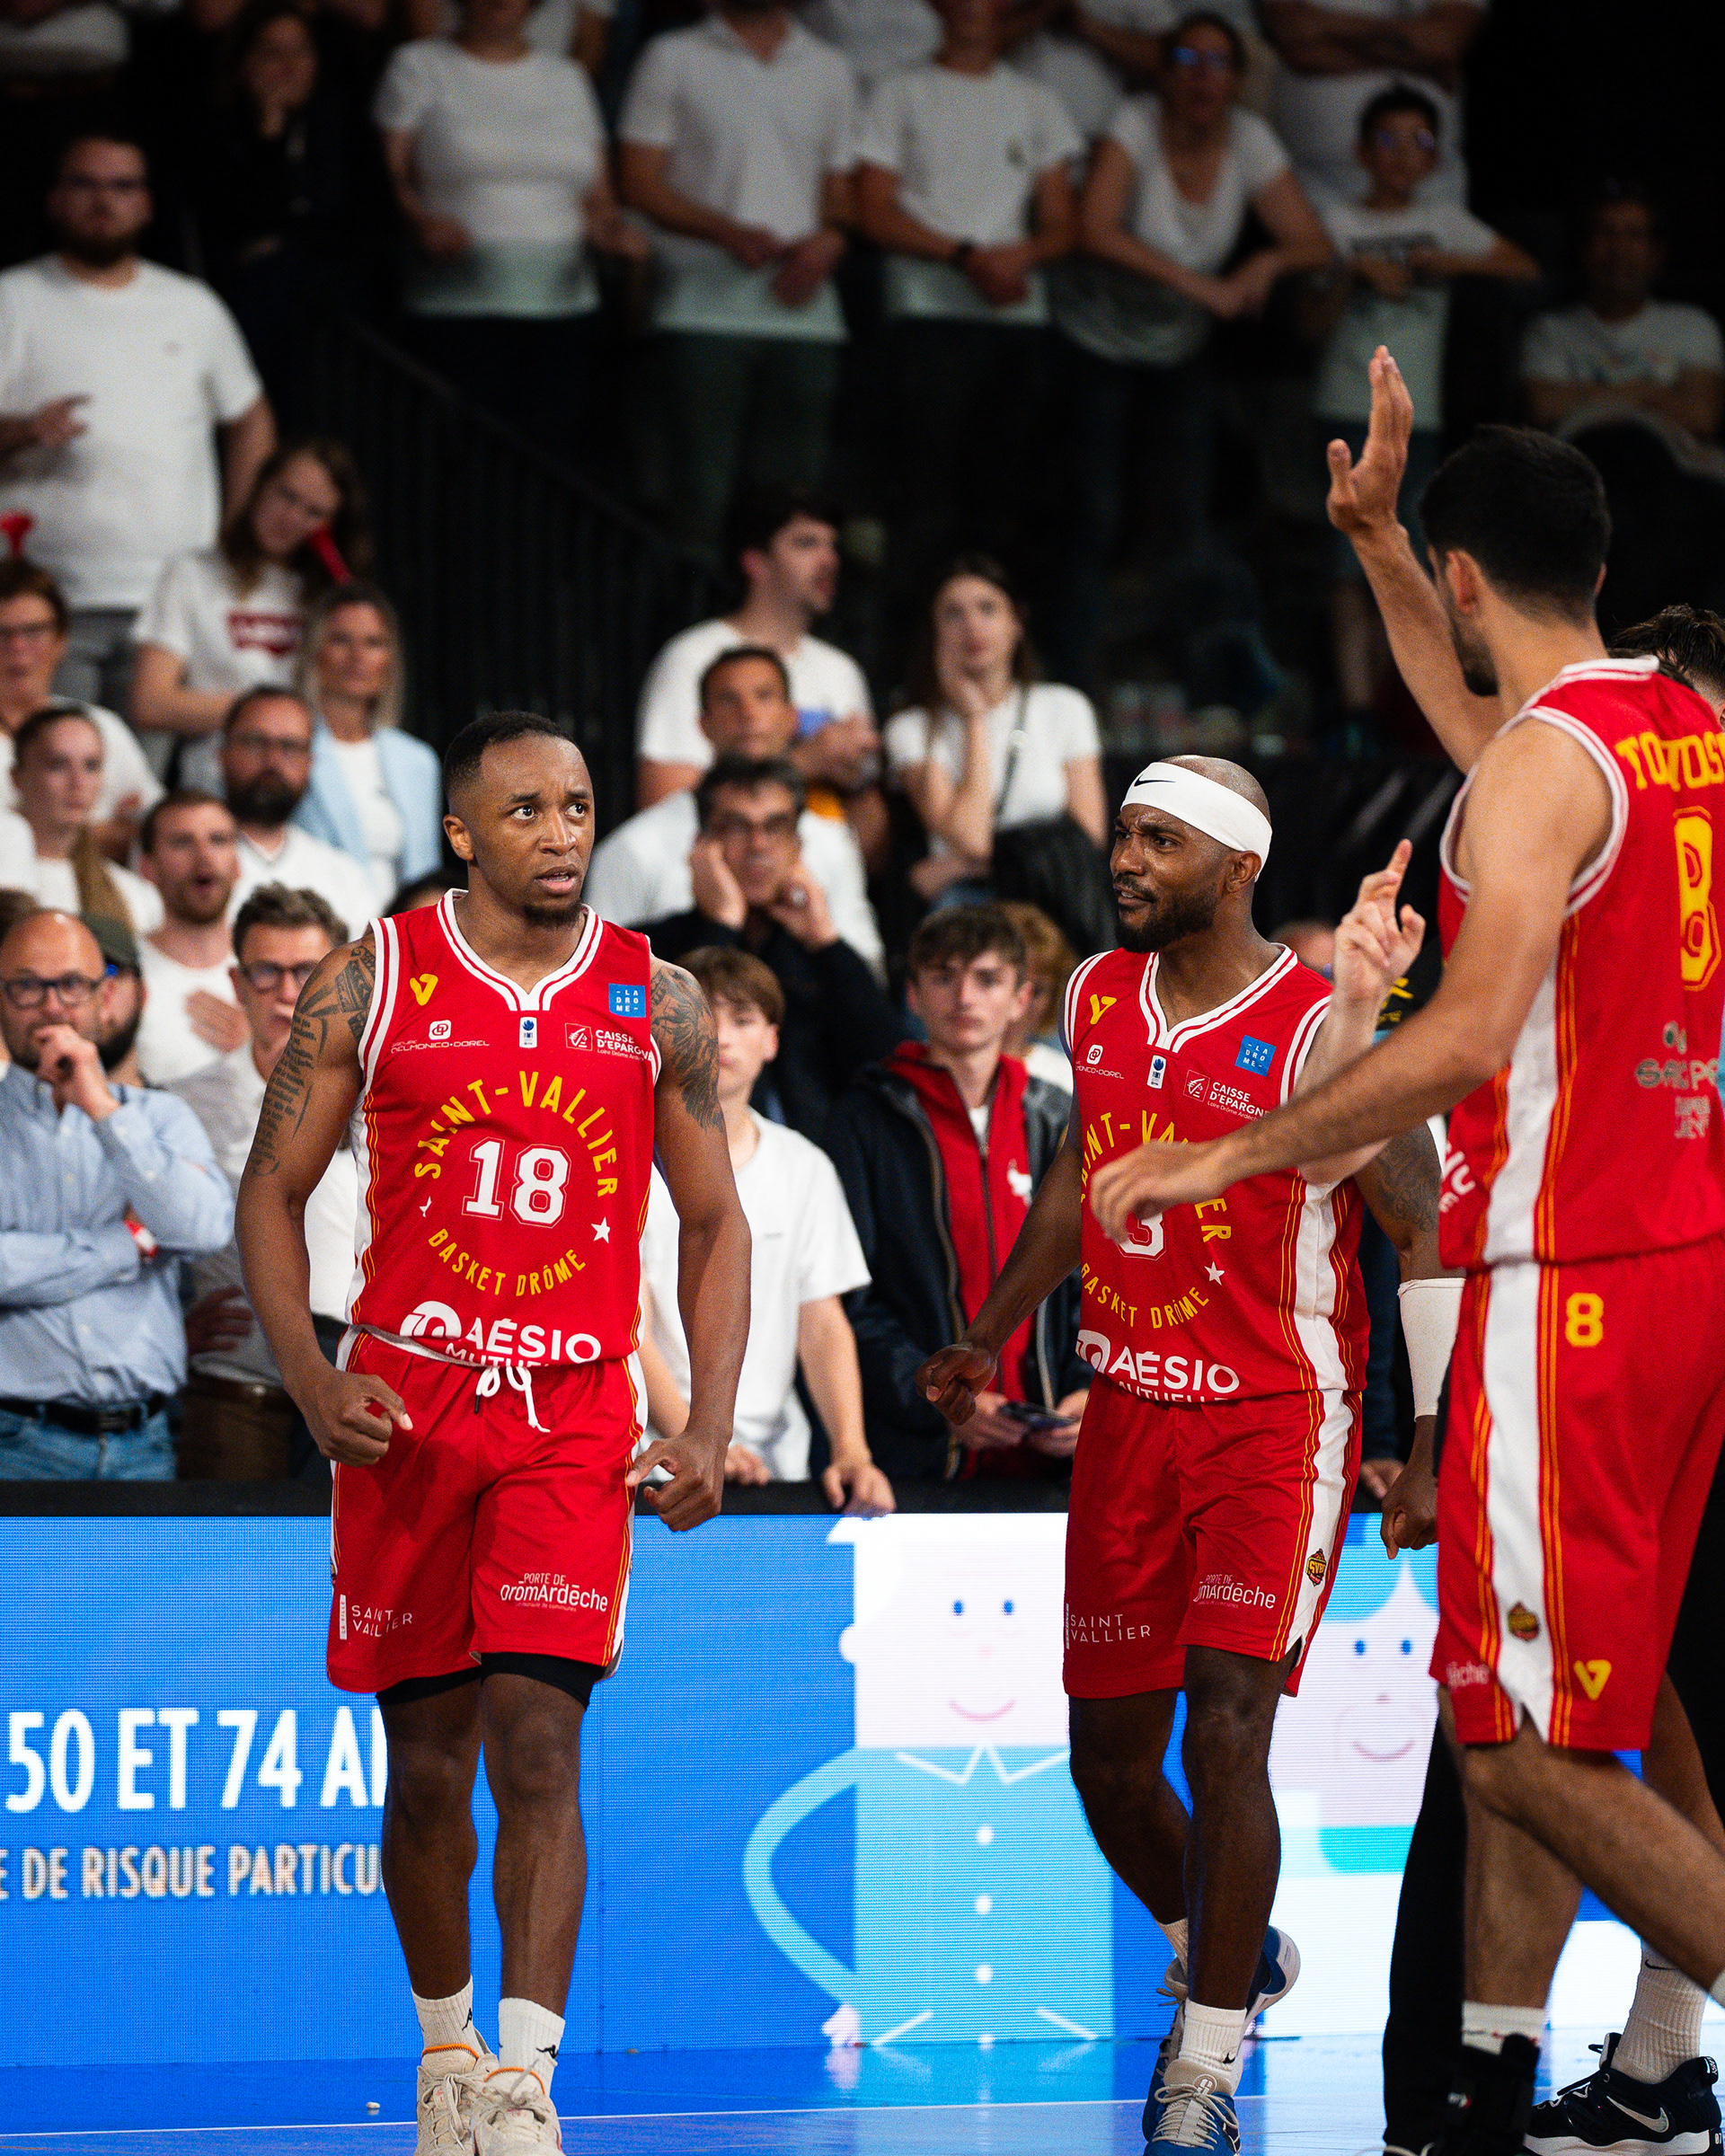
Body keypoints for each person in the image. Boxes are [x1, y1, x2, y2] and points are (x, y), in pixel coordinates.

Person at [1101, 360, 1725, 2152]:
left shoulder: (1540, 768)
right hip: (1685, 1263)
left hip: (1563, 1276)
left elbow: (1459, 1041)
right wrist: (1378, 538)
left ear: (1470, 581)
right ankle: (1542, 2081)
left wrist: (1226, 1147)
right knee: (1594, 1715)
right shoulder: (1671, 727)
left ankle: (1634, 2044)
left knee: (1515, 1744)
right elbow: (1506, 757)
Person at [234, 709, 749, 2156]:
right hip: (408, 1408)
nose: (562, 833)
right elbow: (269, 1193)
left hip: (570, 1413)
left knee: (540, 1748)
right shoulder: (375, 975)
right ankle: (445, 2050)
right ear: (461, 830)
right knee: (426, 1773)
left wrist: (709, 1424)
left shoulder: (659, 996)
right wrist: (309, 1379)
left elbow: (715, 1223)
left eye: (577, 806)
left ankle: (526, 2083)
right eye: (525, 811)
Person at [915, 770, 1452, 2149]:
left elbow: (1424, 1227)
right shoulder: (1098, 991)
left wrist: (1432, 1440)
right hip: (1128, 1416)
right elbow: (1074, 1178)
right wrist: (989, 1330)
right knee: (1107, 1765)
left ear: (1238, 868)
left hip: (1277, 1420)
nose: (1126, 857)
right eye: (1125, 834)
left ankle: (1203, 2066)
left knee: (1228, 1724)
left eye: (1160, 840)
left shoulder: (1321, 1026)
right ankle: (1229, 1950)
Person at [1056, 14, 1331, 692]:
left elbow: (1313, 242)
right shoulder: (1135, 123)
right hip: (1095, 337)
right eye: (1185, 60)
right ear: (1163, 74)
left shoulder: (1251, 138)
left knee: (1183, 516)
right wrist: (1199, 286)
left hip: (1178, 345)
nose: (1201, 76)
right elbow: (1093, 229)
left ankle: (1184, 686)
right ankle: (1072, 683)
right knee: (1091, 515)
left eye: (1217, 63)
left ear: (1236, 80)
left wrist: (1265, 262)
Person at [0, 135, 276, 715]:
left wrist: (234, 537)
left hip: (170, 599)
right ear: (54, 199)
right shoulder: (14, 298)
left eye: (122, 186)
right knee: (57, 759)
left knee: (144, 770)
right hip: (45, 600)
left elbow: (251, 418)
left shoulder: (192, 305)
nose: (105, 201)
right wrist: (23, 431)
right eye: (85, 184)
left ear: (146, 204)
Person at [828, 902, 1093, 1484]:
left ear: (1022, 998)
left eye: (987, 979)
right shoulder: (863, 1120)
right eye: (944, 977)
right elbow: (848, 1302)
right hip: (913, 1460)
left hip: (1052, 1458)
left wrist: (1086, 1388)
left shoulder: (1056, 1119)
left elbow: (1093, 1277)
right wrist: (933, 1397)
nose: (965, 997)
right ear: (913, 995)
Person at [1301, 85, 1535, 738]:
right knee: (1345, 565)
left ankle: (1387, 713)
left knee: (1401, 565)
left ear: (1435, 157)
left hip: (1419, 417)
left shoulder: (1444, 222)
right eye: (1387, 140)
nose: (1403, 155)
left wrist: (1448, 261)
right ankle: (1355, 714)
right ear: (1360, 151)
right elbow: (1306, 325)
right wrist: (1353, 273)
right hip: (1344, 407)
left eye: (1420, 142)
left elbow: (1525, 269)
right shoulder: (1334, 222)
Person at [637, 943, 893, 1509]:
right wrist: (697, 1438)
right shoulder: (624, 1154)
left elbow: (821, 1321)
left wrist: (851, 1448)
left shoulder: (804, 1165)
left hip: (776, 1463)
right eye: (704, 1015)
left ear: (773, 1041)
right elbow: (631, 1322)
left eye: (742, 1019)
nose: (720, 1037)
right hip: (647, 1454)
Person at [855, 0, 1080, 599]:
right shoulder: (899, 91)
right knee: (924, 494)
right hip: (926, 313)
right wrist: (966, 257)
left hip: (1016, 316)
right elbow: (874, 211)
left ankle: (997, 633)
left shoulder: (1037, 100)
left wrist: (1018, 257)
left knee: (1005, 499)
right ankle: (912, 635)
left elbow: (1063, 224)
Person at [617, 3, 858, 558]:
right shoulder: (672, 56)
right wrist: (725, 231)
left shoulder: (830, 66)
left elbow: (841, 191)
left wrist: (832, 239)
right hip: (698, 308)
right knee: (697, 500)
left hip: (806, 315)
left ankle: (780, 617)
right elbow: (639, 180)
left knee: (793, 509)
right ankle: (694, 612)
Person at [0, 908, 232, 1480]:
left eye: (71, 985)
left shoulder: (160, 1117)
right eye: (27, 986)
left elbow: (203, 1229)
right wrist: (128, 1245)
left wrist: (103, 1108)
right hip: (15, 1443)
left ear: (103, 999)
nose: (52, 1006)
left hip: (145, 1443)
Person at [376, 0, 645, 453]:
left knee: (552, 458)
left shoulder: (567, 77)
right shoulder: (419, 64)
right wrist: (421, 221)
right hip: (460, 306)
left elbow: (597, 194)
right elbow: (392, 173)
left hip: (565, 306)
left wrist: (610, 231)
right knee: (467, 458)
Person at [172, 882, 356, 1481]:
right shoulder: (184, 1104)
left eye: (308, 972)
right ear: (236, 982)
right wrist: (170, 1332)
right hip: (235, 1396)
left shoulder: (386, 1098)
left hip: (353, 1386)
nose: (287, 993)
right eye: (266, 973)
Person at [643, 755, 907, 1140]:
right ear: (703, 844)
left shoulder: (821, 956)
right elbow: (661, 1051)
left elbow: (892, 1068)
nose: (758, 845)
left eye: (776, 827)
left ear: (798, 846)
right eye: (737, 827)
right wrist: (721, 927)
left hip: (810, 1163)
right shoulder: (651, 949)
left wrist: (825, 942)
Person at [588, 645, 883, 970]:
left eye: (764, 696)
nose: (748, 712)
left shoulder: (834, 842)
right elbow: (598, 979)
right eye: (729, 699)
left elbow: (871, 974)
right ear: (702, 723)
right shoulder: (632, 848)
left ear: (792, 718)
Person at [632, 485, 878, 836]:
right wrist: (803, 763)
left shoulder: (842, 670)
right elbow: (659, 805)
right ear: (755, 562)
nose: (830, 561)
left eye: (832, 546)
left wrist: (857, 783)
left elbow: (871, 843)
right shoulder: (693, 656)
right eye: (807, 544)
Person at [130, 437, 370, 794]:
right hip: (216, 780)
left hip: (319, 782)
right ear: (260, 486)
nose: (292, 518)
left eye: (314, 512)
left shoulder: (329, 594)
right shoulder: (193, 573)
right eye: (286, 495)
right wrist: (263, 716)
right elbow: (150, 701)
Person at [884, 555, 1106, 906]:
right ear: (934, 632)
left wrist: (957, 867)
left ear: (1016, 622)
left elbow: (1088, 837)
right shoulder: (911, 728)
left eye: (987, 609)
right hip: (968, 907)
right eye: (953, 614)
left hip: (1054, 899)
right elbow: (972, 838)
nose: (972, 625)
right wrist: (974, 719)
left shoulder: (1066, 707)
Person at [191, 1, 365, 421]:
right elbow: (238, 225)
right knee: (269, 277)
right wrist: (269, 133)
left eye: (301, 51)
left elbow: (350, 222)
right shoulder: (216, 132)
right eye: (272, 52)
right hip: (253, 294)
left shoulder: (340, 126)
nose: (289, 66)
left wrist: (286, 239)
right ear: (244, 63)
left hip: (330, 289)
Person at [289, 584, 444, 902]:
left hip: (403, 926)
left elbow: (426, 873)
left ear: (390, 659)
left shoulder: (418, 759)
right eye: (341, 640)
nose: (357, 656)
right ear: (314, 652)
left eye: (373, 643)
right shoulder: (288, 748)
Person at [1261, 0, 1487, 209]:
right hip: (1310, 189)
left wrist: (1325, 26)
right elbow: (1296, 38)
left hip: (1434, 190)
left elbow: (1443, 43)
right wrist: (1421, 53)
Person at [0, 557, 161, 853]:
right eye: (2, 634)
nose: (17, 648)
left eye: (34, 632)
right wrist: (99, 835)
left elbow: (156, 826)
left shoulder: (102, 727)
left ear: (61, 641)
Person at [219, 685, 381, 934]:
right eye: (256, 742)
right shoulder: (185, 863)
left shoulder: (344, 876)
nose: (272, 760)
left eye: (289, 746)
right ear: (223, 753)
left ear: (310, 762)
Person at [0, 707, 163, 933]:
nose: (78, 782)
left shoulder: (132, 895)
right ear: (17, 777)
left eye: (91, 766)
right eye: (57, 764)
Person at [134, 791, 246, 1088]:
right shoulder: (124, 973)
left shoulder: (279, 967)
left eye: (218, 840)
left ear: (238, 864)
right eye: (182, 842)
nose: (204, 856)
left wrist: (261, 1049)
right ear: (147, 867)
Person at [998, 897, 1076, 1092]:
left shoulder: (1068, 1081)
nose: (1020, 1004)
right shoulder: (929, 1068)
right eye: (1012, 985)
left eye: (1037, 991)